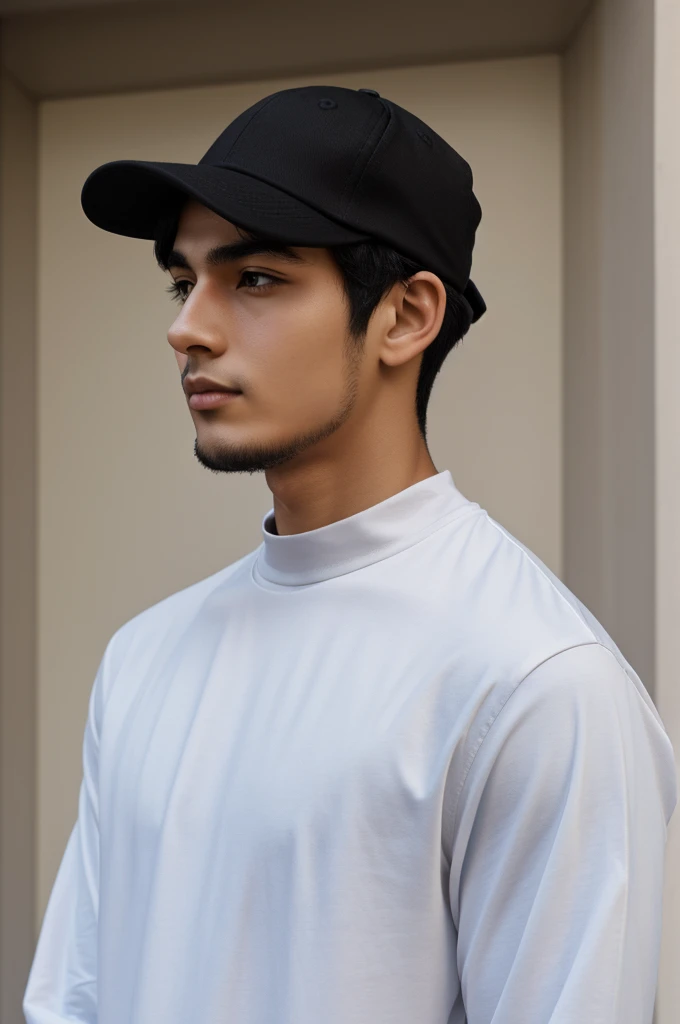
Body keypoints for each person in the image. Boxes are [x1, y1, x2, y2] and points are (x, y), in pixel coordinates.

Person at [24, 84, 676, 1024]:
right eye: (184, 280)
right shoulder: (142, 660)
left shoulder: (536, 684)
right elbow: (72, 1001)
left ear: (406, 317)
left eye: (254, 279)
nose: (187, 327)